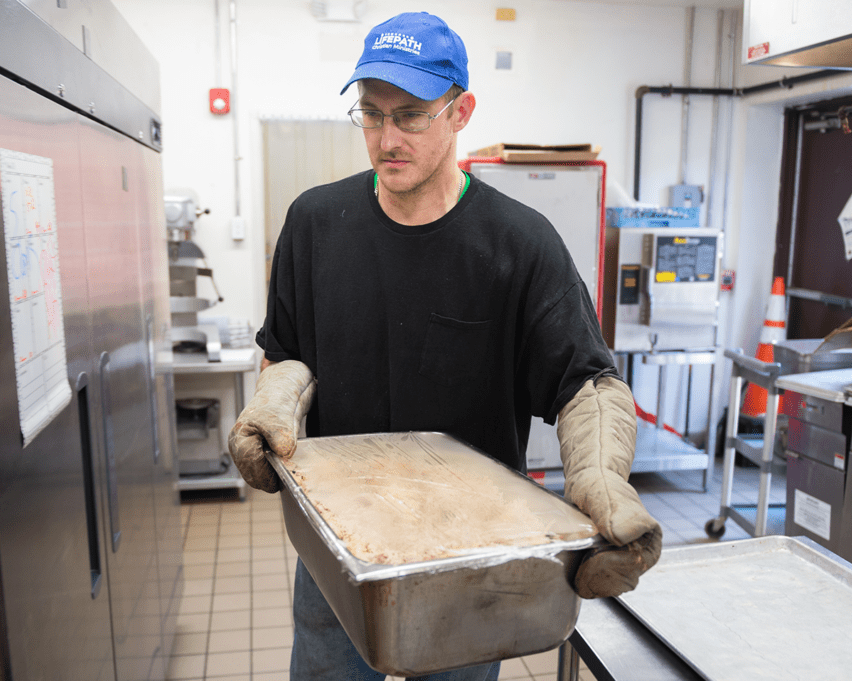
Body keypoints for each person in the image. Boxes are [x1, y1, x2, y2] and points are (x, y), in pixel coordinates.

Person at [229, 12, 661, 681]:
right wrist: (272, 408)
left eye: (410, 115)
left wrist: (600, 482)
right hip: (341, 549)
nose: (386, 137)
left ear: (461, 112)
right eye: (371, 115)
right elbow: (288, 354)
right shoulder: (315, 224)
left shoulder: (519, 244)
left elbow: (586, 383)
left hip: (470, 558)